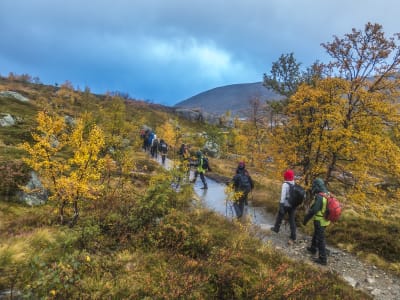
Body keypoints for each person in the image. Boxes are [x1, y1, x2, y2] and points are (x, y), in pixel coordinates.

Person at [303, 178, 330, 265]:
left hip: (320, 220)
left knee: (320, 239)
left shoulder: (319, 196)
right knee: (316, 234)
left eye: (314, 185)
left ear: (317, 186)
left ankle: (323, 259)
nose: (313, 187)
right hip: (326, 220)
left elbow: (313, 210)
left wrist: (305, 220)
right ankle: (313, 248)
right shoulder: (327, 194)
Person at [270, 169, 297, 244]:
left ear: (286, 176)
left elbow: (283, 196)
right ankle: (293, 236)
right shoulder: (293, 183)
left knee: (280, 216)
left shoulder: (285, 184)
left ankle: (276, 228)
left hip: (286, 204)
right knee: (292, 220)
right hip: (293, 205)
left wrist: (281, 205)